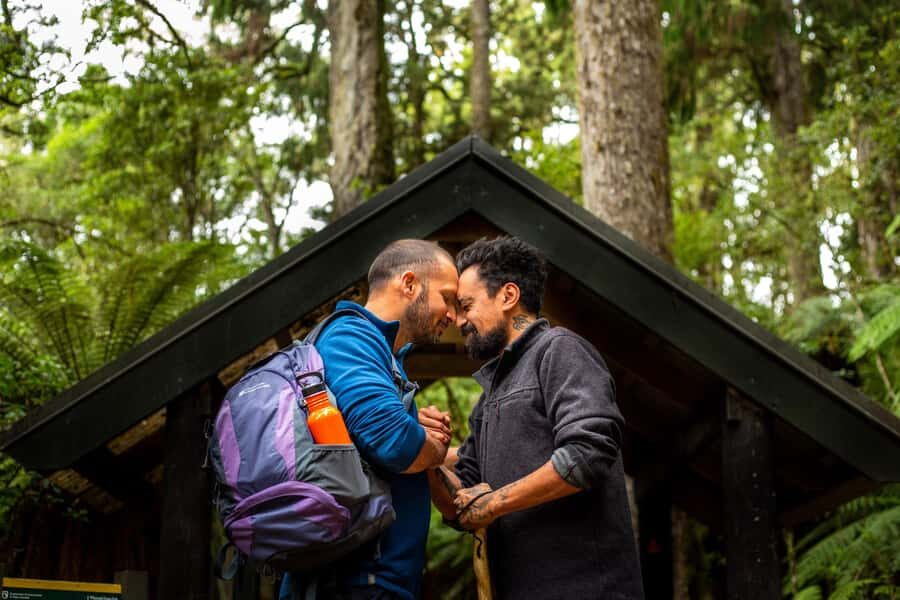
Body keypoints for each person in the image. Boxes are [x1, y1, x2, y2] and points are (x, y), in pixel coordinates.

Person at [429, 236, 644, 599]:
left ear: (508, 296)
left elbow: (586, 455)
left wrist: (493, 504)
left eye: (467, 305)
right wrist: (420, 452)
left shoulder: (560, 350)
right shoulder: (490, 395)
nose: (459, 320)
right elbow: (461, 500)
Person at [281, 239, 458, 600]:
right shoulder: (352, 338)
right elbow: (397, 445)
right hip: (356, 582)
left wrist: (415, 427)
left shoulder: (382, 352)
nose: (453, 314)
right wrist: (431, 443)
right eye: (448, 297)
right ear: (409, 284)